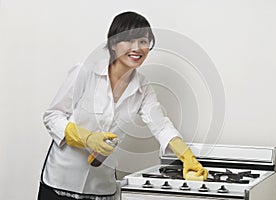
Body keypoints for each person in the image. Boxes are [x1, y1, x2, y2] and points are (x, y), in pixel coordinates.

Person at [38, 11, 208, 200]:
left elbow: (162, 126)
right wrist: (85, 138)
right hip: (60, 182)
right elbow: (52, 116)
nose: (137, 48)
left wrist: (187, 156)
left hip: (101, 187)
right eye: (129, 40)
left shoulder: (142, 88)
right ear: (113, 43)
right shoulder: (85, 72)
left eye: (143, 41)